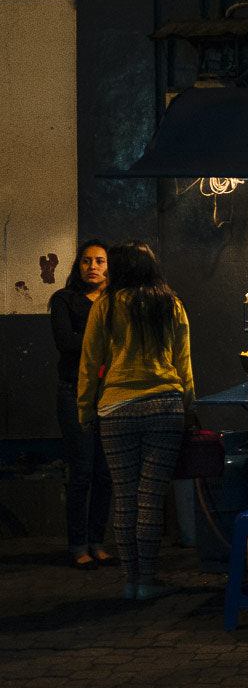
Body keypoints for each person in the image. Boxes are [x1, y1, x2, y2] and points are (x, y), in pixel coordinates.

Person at [76, 241, 195, 601]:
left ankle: (131, 581)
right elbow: (183, 362)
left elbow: (88, 362)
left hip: (116, 409)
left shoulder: (106, 305)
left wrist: (85, 410)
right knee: (151, 497)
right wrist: (189, 407)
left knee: (125, 497)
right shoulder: (170, 304)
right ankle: (149, 579)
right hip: (163, 407)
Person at [49, 240, 115, 569]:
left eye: (100, 261)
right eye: (87, 261)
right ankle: (77, 545)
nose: (93, 266)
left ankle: (97, 541)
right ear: (78, 266)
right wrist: (104, 343)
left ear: (109, 266)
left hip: (110, 393)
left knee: (105, 474)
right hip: (74, 391)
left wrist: (89, 341)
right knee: (82, 471)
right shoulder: (64, 300)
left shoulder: (117, 300)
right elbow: (66, 343)